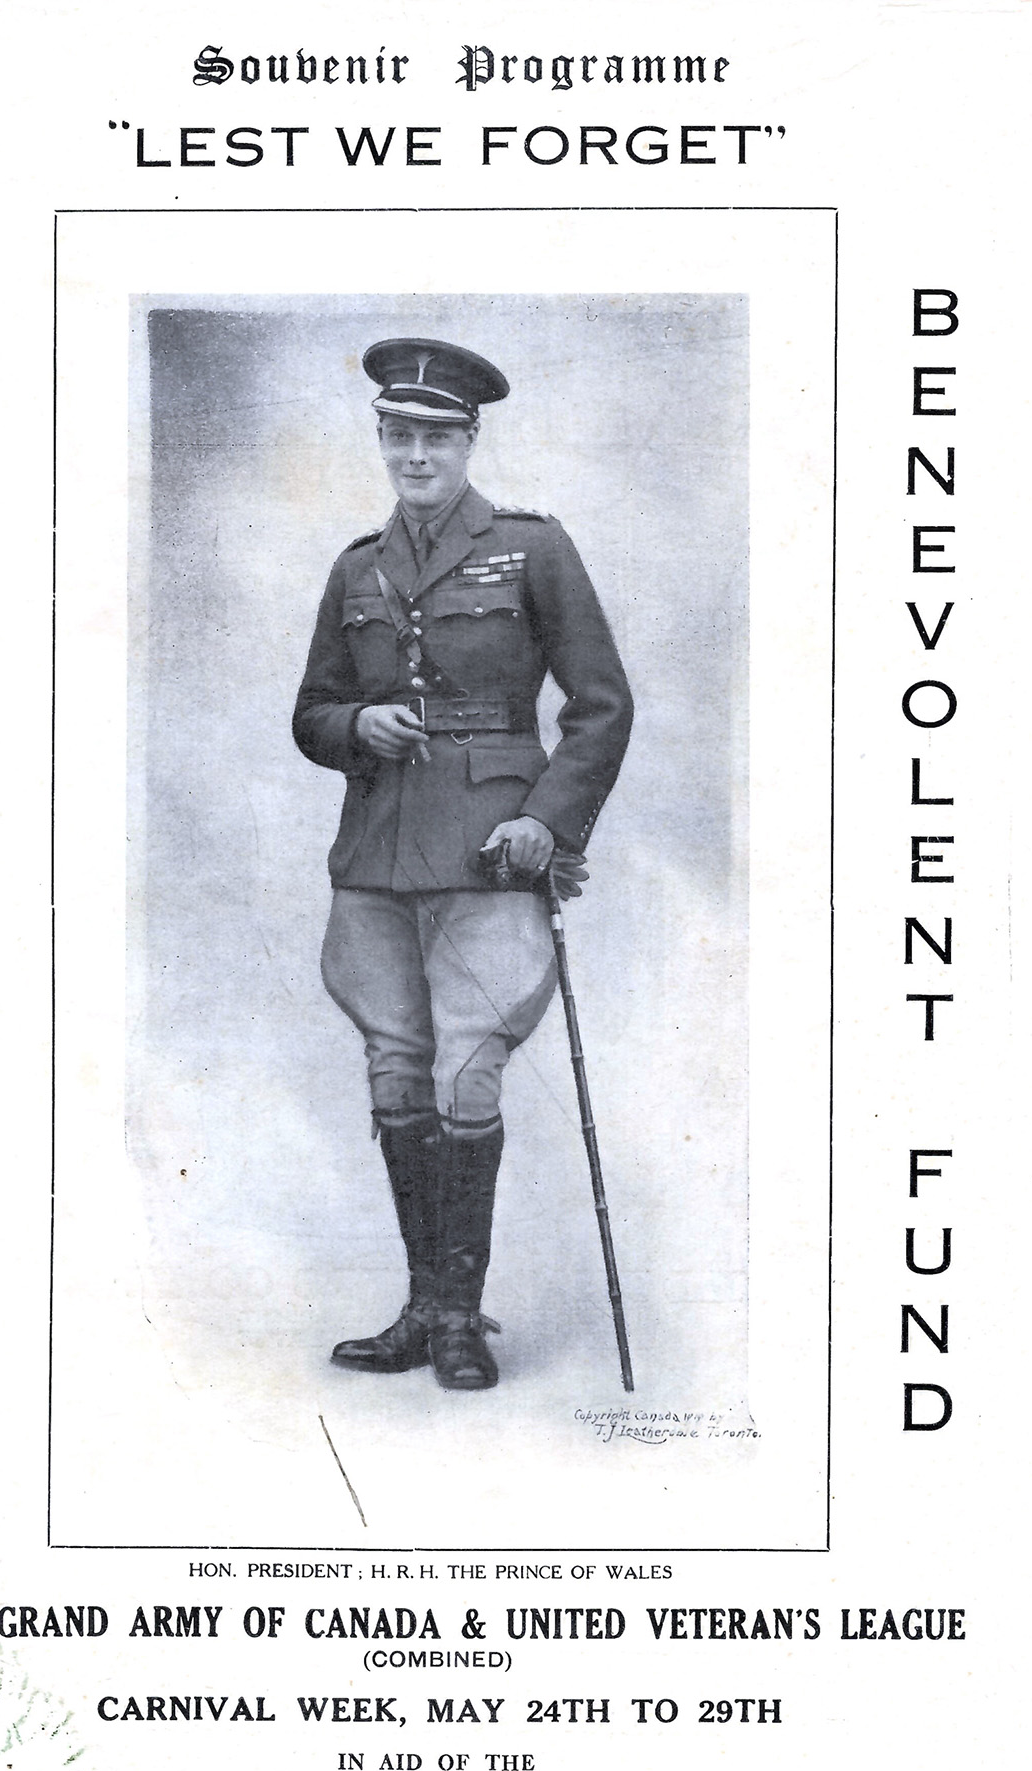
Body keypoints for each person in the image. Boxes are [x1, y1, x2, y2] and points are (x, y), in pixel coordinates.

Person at [293, 337, 634, 1390]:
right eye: (398, 435)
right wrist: (360, 724)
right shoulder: (356, 566)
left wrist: (549, 823)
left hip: (490, 851)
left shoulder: (531, 549)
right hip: (377, 857)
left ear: (468, 440)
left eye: (434, 436)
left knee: (464, 1073)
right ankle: (422, 1307)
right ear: (383, 440)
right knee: (394, 1070)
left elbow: (600, 706)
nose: (415, 453)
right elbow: (310, 714)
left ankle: (458, 1316)